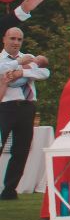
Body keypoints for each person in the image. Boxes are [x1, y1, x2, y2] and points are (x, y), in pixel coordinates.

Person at [0, 26, 49, 200]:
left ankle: (10, 189)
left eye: (19, 39)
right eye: (12, 38)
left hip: (26, 106)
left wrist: (22, 71)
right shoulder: (4, 59)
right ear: (4, 39)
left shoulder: (28, 57)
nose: (15, 42)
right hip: (5, 106)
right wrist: (19, 64)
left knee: (21, 149)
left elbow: (44, 72)